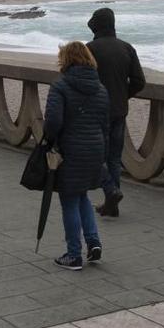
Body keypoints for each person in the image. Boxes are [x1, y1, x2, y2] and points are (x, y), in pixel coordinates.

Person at [43, 41, 110, 270]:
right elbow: (105, 124)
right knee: (82, 196)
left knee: (69, 199)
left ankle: (74, 254)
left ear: (66, 59)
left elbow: (53, 122)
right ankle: (93, 243)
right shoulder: (100, 89)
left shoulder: (61, 86)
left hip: (70, 149)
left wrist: (52, 142)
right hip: (95, 149)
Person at [86, 8, 146, 218]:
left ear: (96, 26)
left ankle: (111, 191)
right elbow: (139, 82)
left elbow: (84, 81)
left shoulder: (90, 49)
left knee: (94, 156)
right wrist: (123, 95)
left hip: (95, 112)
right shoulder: (126, 48)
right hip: (119, 110)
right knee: (113, 157)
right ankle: (112, 205)